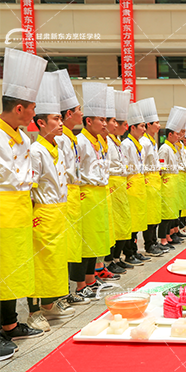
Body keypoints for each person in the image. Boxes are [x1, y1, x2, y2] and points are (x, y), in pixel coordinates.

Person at [0, 49, 47, 358]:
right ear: (19, 108)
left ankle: (10, 324)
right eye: (32, 109)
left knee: (13, 271)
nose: (35, 114)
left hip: (19, 209)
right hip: (3, 210)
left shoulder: (22, 138)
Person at [27, 72, 74, 332]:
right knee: (40, 262)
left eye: (60, 118)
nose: (61, 123)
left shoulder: (56, 148)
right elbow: (31, 188)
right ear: (41, 123)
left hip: (58, 212)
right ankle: (34, 312)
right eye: (56, 119)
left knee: (55, 261)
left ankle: (49, 304)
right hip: (42, 213)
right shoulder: (36, 150)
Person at [72, 82, 111, 299]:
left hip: (98, 194)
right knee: (85, 240)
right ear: (89, 121)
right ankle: (80, 285)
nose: (104, 124)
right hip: (87, 194)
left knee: (95, 239)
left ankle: (90, 279)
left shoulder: (97, 142)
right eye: (101, 120)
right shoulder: (81, 142)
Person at [53, 69, 89, 306]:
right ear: (68, 114)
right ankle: (62, 292)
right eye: (78, 110)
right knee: (64, 247)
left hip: (74, 195)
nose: (82, 114)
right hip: (63, 197)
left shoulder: (71, 138)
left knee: (74, 244)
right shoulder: (61, 138)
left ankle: (71, 290)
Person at [102, 88, 130, 276]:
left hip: (119, 184)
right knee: (112, 227)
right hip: (111, 185)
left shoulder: (117, 141)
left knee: (121, 224)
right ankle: (108, 262)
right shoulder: (108, 142)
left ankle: (116, 258)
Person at [122, 102, 150, 264]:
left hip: (138, 184)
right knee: (130, 222)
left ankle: (135, 250)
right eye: (141, 126)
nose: (144, 129)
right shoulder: (127, 144)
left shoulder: (137, 144)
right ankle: (129, 253)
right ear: (132, 128)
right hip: (130, 185)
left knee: (137, 221)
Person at [157, 106, 186, 251]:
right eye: (177, 134)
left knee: (173, 211)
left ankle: (170, 235)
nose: (179, 136)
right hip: (167, 182)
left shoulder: (174, 147)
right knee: (166, 211)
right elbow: (161, 166)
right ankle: (164, 238)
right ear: (170, 135)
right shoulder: (165, 148)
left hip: (174, 181)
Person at [138, 97, 164, 257]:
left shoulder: (151, 141)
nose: (159, 126)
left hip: (155, 179)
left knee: (155, 214)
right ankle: (149, 244)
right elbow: (141, 163)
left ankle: (154, 242)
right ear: (148, 125)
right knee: (149, 215)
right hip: (148, 180)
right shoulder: (144, 142)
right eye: (156, 123)